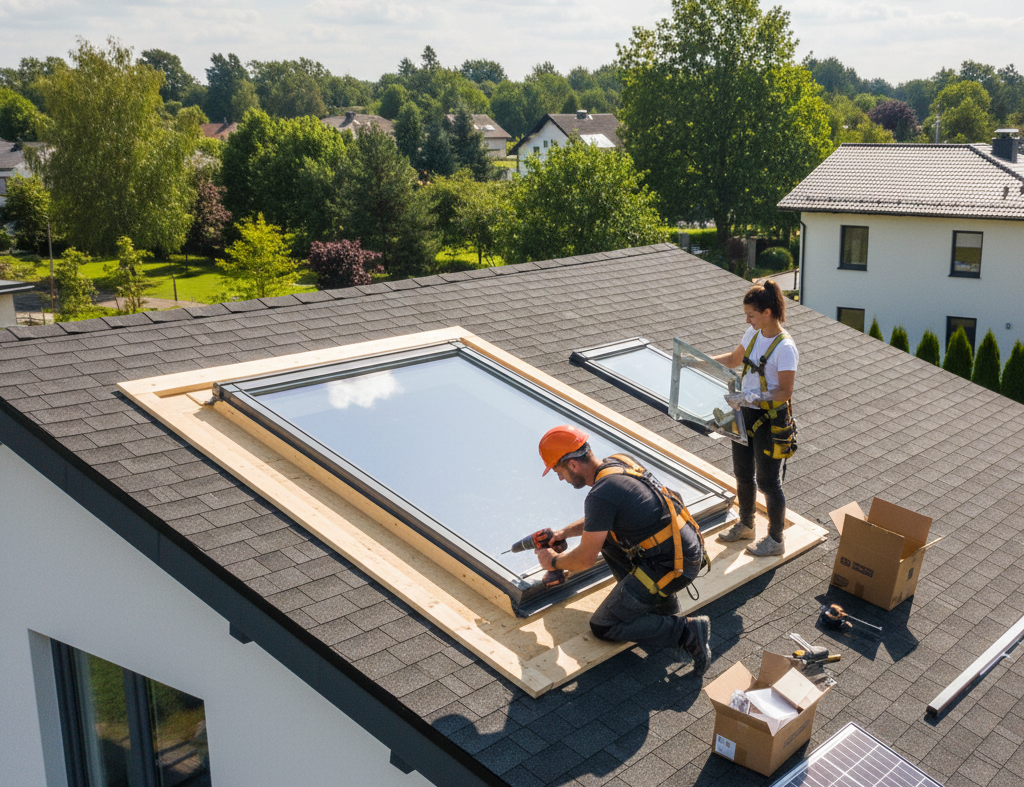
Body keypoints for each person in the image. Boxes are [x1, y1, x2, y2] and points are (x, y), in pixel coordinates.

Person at [535, 425, 713, 677]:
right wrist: (564, 533)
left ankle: (686, 631)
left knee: (604, 625)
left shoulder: (600, 495)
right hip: (681, 549)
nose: (560, 478)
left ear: (573, 465)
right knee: (605, 538)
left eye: (558, 471)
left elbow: (585, 559)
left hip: (674, 566)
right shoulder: (617, 464)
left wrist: (554, 563)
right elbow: (601, 521)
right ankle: (661, 607)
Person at [713, 280, 798, 557]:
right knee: (742, 473)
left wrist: (753, 397)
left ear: (768, 312)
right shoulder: (753, 333)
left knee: (769, 481)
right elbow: (736, 359)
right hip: (745, 412)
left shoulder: (785, 348)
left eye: (751, 314)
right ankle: (747, 524)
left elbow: (784, 391)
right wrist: (702, 360)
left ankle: (775, 539)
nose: (748, 320)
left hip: (770, 418)